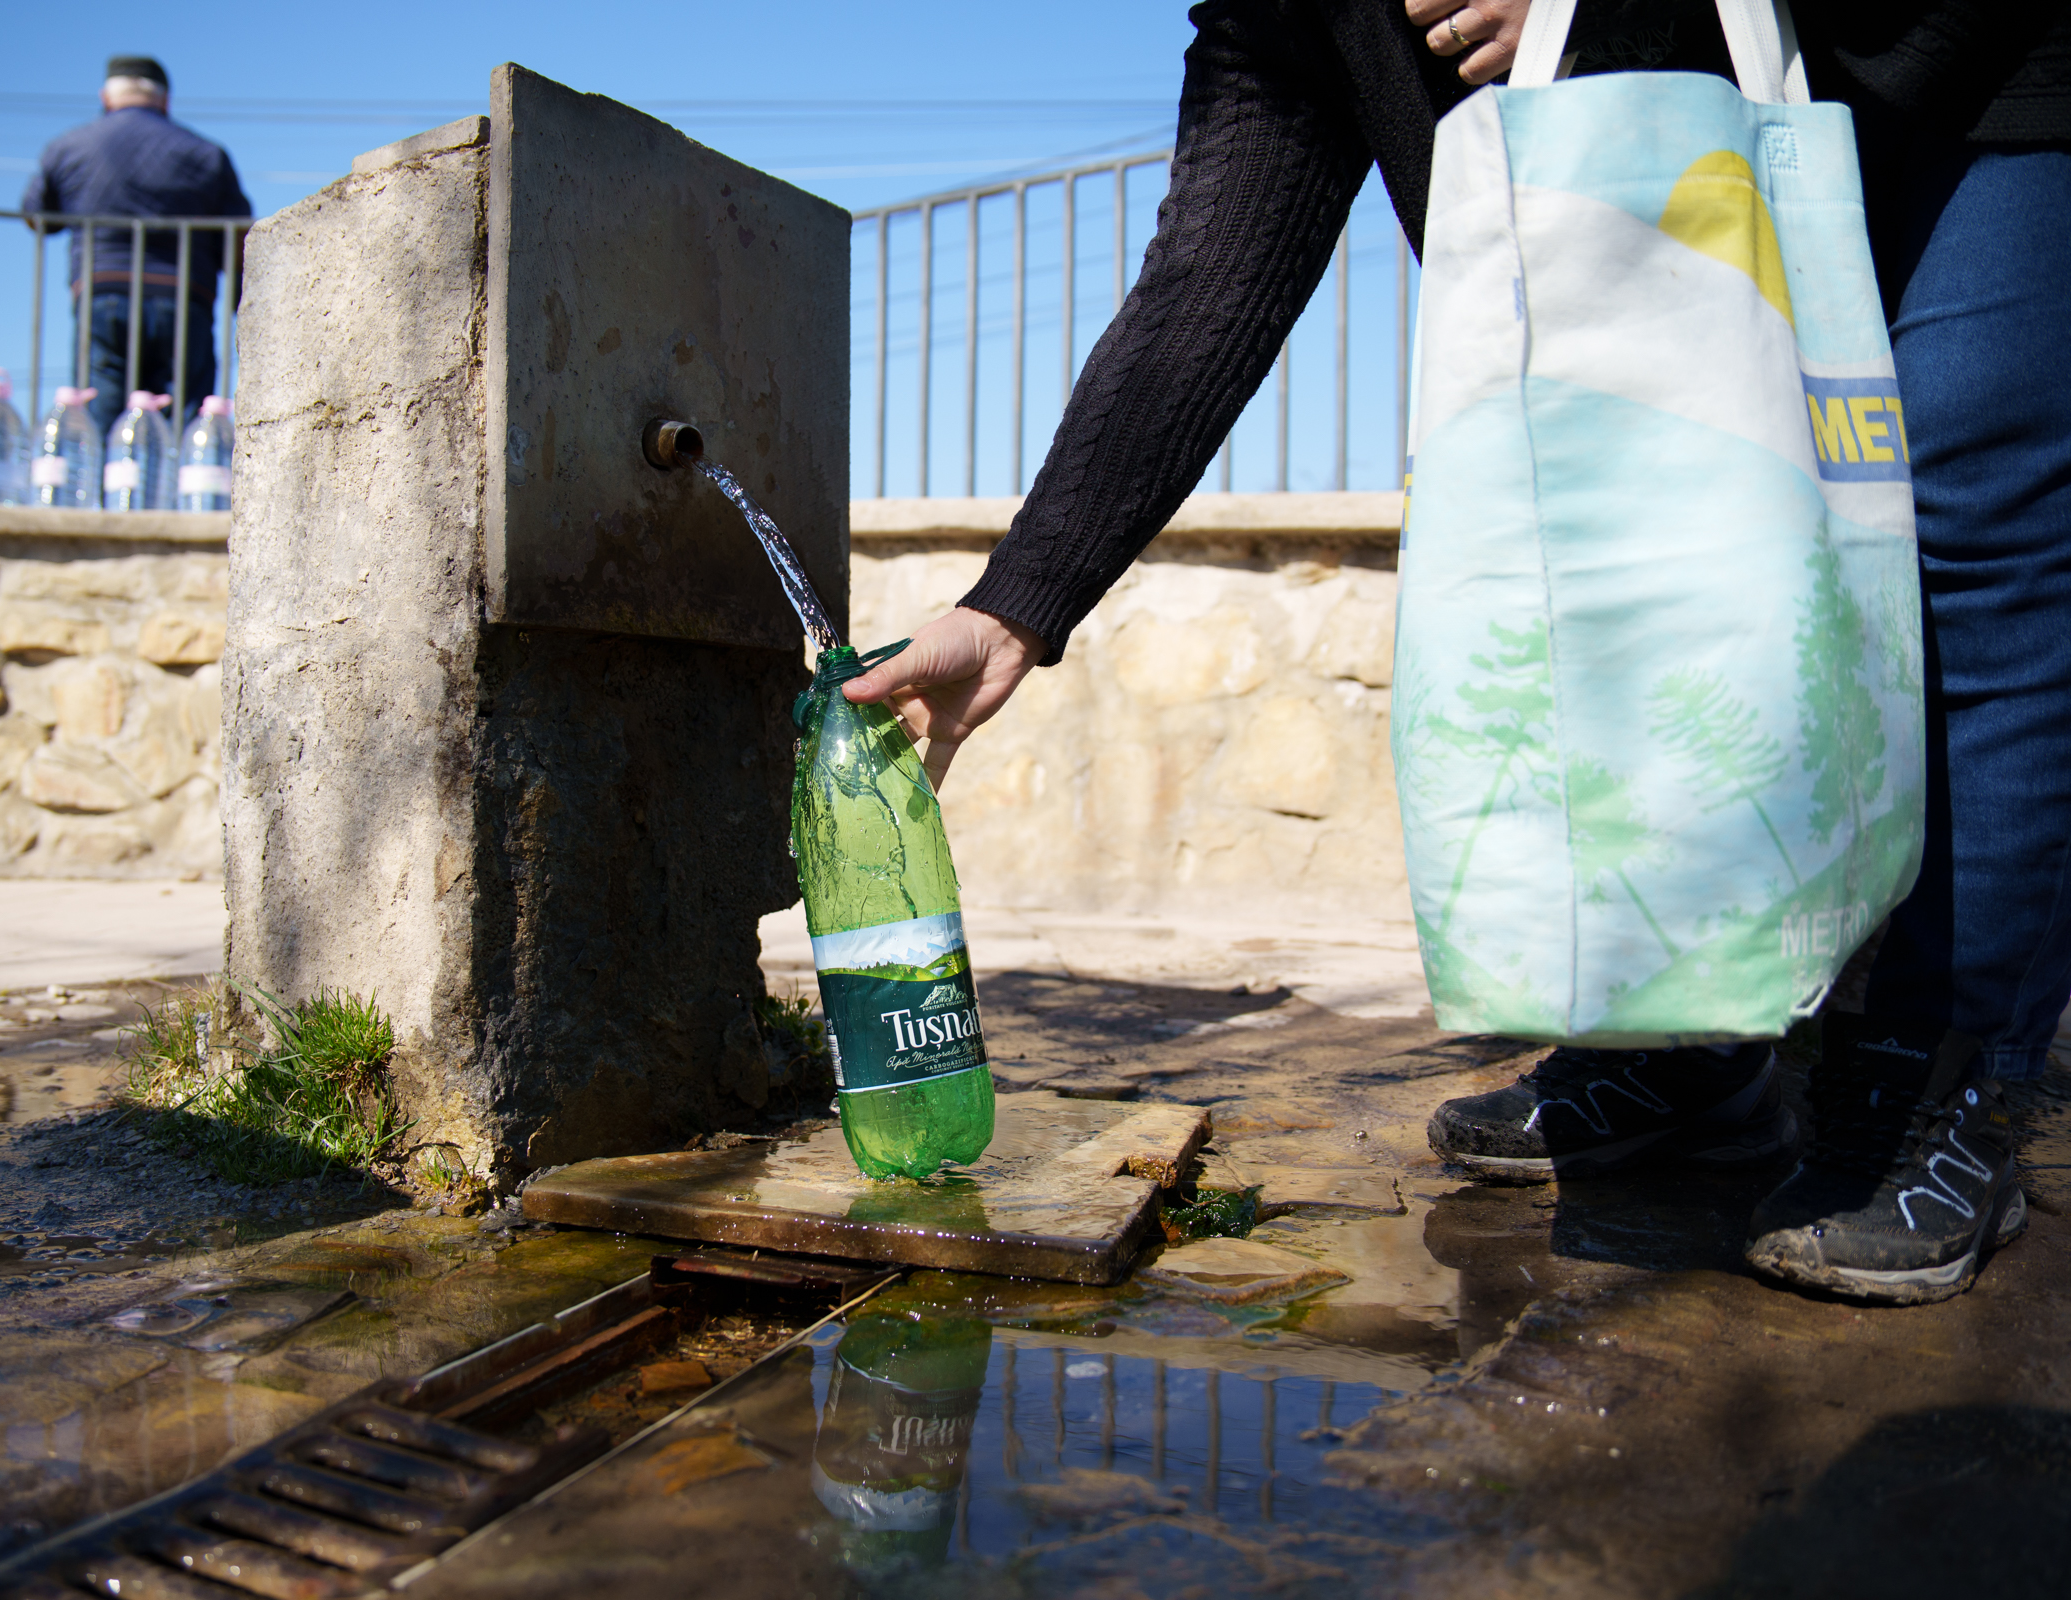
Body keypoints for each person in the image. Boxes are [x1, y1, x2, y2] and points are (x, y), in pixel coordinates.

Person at [841, 0, 2069, 1305]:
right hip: (1674, 206)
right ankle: (1700, 1037)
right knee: (1663, 567)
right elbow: (1216, 265)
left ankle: (1944, 1076)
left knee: (1971, 534)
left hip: (1961, 87)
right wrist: (1019, 601)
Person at [23, 55, 252, 428]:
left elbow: (37, 217)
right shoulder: (205, 153)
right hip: (183, 296)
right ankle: (182, 483)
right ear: (164, 99)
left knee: (101, 413)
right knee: (184, 418)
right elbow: (240, 238)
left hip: (101, 289)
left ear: (106, 96)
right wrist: (244, 307)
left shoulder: (67, 147)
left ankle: (98, 484)